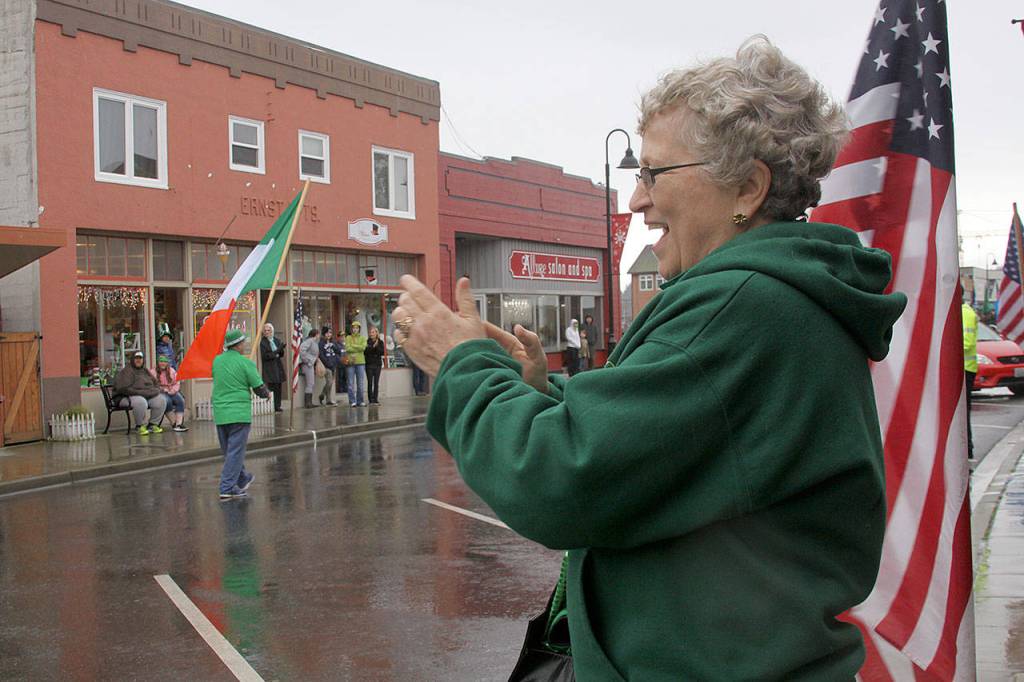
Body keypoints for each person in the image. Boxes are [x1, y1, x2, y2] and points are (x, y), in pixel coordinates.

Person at [390, 37, 907, 680]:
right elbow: (670, 453)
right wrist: (539, 395)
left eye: (655, 174)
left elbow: (561, 478)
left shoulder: (741, 309)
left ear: (747, 187)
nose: (635, 200)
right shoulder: (761, 301)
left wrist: (462, 363)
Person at [212, 329, 270, 500]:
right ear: (237, 345)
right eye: (243, 342)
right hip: (239, 413)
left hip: (221, 412)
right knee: (235, 452)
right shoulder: (246, 363)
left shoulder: (217, 361)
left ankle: (243, 478)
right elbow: (258, 387)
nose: (245, 345)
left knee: (230, 451)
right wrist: (267, 394)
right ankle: (227, 487)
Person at [112, 351, 167, 435]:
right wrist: (142, 392)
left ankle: (153, 424)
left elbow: (155, 383)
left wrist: (154, 391)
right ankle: (139, 426)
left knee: (161, 399)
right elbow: (123, 388)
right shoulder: (127, 371)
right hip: (125, 397)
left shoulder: (145, 370)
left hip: (146, 396)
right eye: (136, 358)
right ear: (132, 359)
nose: (138, 360)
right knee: (140, 402)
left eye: (140, 358)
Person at [150, 354, 188, 431]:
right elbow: (151, 385)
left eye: (164, 361)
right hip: (160, 392)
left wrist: (172, 391)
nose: (163, 363)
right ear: (158, 362)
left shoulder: (172, 371)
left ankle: (179, 424)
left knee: (180, 400)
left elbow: (177, 382)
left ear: (167, 363)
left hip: (171, 390)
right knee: (168, 401)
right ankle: (173, 422)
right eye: (161, 361)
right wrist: (162, 390)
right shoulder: (153, 372)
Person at [259, 323, 286, 412]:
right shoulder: (263, 342)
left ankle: (278, 405)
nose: (267, 332)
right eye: (265, 331)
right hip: (269, 367)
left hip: (277, 365)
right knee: (271, 386)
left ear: (272, 331)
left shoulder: (276, 340)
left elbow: (281, 354)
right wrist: (277, 351)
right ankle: (271, 405)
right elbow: (266, 356)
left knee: (278, 386)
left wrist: (281, 349)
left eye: (268, 330)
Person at [963, 301, 978, 460]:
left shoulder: (965, 313)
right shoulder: (966, 311)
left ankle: (967, 448)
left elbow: (966, 342)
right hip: (966, 367)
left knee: (963, 412)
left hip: (965, 368)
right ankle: (967, 448)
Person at [344, 321, 368, 406]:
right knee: (350, 383)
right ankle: (352, 401)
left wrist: (353, 346)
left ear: (359, 329)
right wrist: (358, 347)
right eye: (354, 328)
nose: (355, 329)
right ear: (351, 329)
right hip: (351, 362)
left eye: (357, 328)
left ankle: (360, 401)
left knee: (360, 383)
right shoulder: (348, 337)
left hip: (361, 362)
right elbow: (347, 348)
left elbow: (363, 348)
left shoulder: (363, 338)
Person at [318, 327, 341, 406]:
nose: (329, 334)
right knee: (329, 382)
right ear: (324, 334)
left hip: (333, 364)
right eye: (327, 333)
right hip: (326, 366)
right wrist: (327, 363)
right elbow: (321, 355)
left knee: (330, 383)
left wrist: (333, 346)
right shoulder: (321, 343)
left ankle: (328, 399)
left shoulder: (333, 342)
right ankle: (322, 395)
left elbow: (339, 351)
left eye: (330, 333)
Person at [298, 328, 320, 408]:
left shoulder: (314, 342)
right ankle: (308, 403)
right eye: (318, 334)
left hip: (311, 364)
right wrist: (308, 360)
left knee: (311, 383)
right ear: (316, 334)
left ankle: (309, 402)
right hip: (307, 365)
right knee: (310, 383)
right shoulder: (309, 341)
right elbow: (302, 350)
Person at [364, 326, 385, 404]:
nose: (371, 334)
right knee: (370, 382)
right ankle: (370, 400)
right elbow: (366, 352)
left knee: (376, 383)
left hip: (377, 365)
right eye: (370, 332)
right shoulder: (367, 341)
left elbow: (381, 352)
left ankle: (375, 399)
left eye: (373, 332)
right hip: (369, 364)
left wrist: (376, 347)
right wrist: (373, 347)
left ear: (376, 333)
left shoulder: (380, 342)